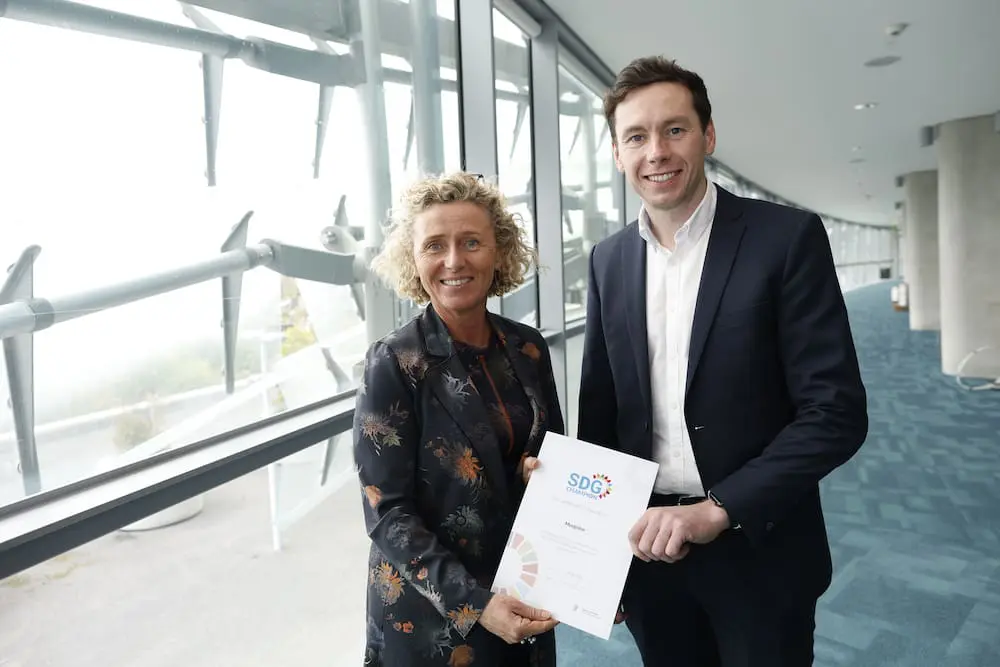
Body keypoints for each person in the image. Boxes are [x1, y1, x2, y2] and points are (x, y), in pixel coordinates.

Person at [575, 55, 869, 666]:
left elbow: (835, 412)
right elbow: (601, 418)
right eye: (637, 137)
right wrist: (600, 558)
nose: (657, 151)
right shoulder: (608, 261)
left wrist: (720, 508)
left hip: (759, 546)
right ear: (617, 153)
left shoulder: (785, 239)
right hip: (649, 549)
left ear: (708, 136)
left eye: (674, 129)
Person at [353, 171, 564, 667]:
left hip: (522, 588)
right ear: (414, 258)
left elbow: (553, 463)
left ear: (499, 252)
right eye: (435, 245)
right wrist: (476, 604)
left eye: (471, 242)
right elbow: (388, 513)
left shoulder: (527, 347)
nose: (453, 261)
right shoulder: (394, 362)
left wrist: (533, 472)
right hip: (433, 618)